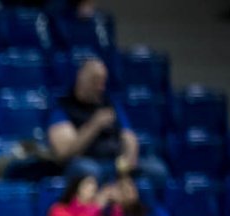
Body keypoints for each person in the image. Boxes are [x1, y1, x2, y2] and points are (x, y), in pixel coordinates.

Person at [47, 57, 169, 188]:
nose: (100, 87)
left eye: (103, 82)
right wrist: (94, 125)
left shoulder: (109, 105)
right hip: (88, 162)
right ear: (81, 78)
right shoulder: (63, 107)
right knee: (88, 170)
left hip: (116, 163)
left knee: (157, 170)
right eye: (95, 81)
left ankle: (146, 208)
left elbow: (129, 136)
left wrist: (130, 157)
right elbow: (64, 153)